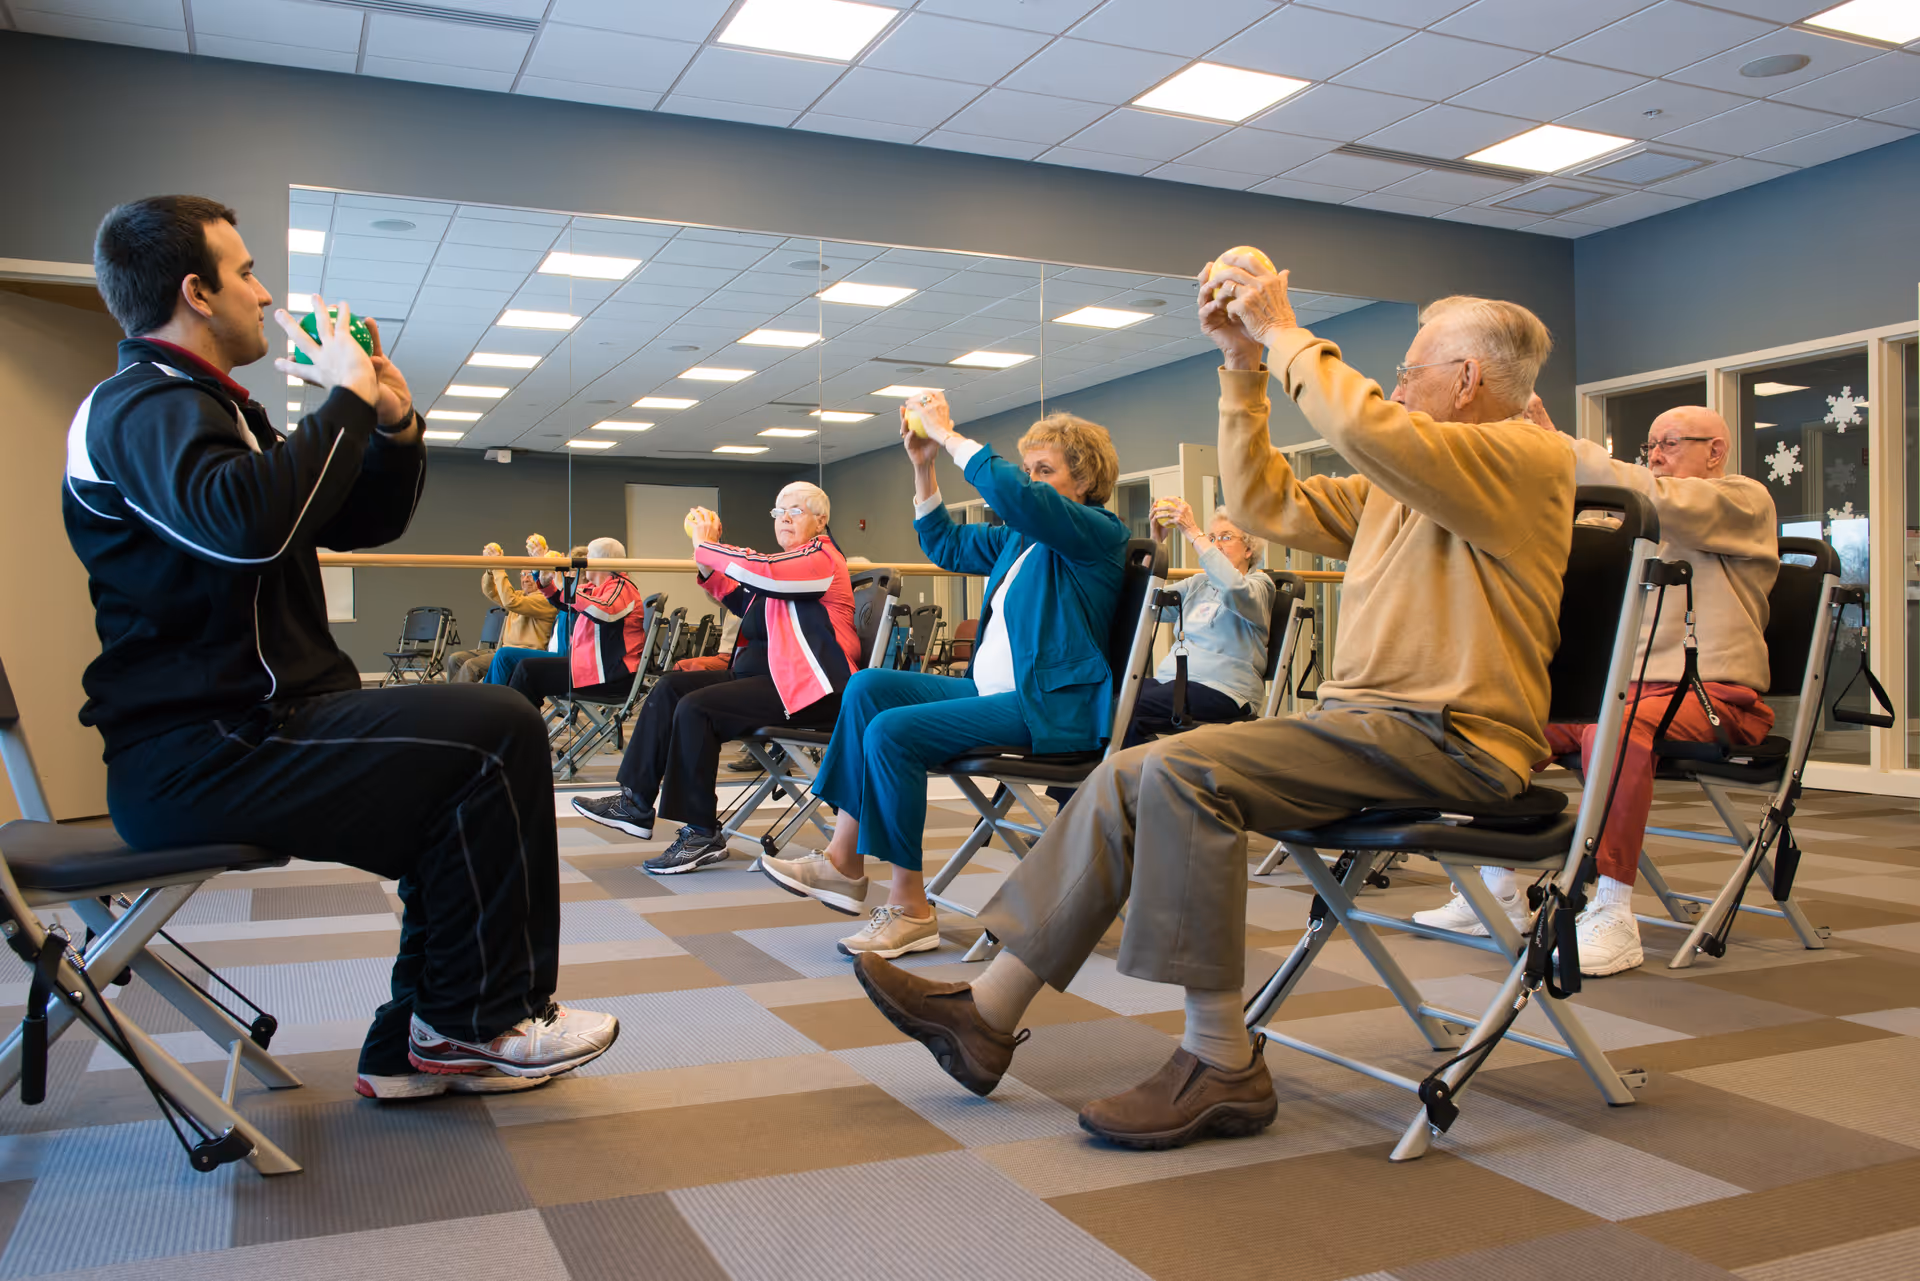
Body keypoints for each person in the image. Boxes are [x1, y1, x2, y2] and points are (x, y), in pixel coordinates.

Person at [851, 255, 1574, 1150]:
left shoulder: (1524, 456)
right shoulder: (1404, 483)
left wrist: (1281, 327)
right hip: (1363, 725)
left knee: (1187, 773)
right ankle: (986, 1011)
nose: (1395, 383)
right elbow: (1264, 500)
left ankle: (1219, 1059)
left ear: (1466, 380)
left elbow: (1375, 430)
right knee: (1128, 771)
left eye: (1410, 369)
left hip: (1451, 737)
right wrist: (1241, 366)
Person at [67, 194, 616, 1101]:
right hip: (202, 750)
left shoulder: (210, 409)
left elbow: (353, 516)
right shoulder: (138, 407)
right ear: (196, 292)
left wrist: (390, 423)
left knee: (465, 767)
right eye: (244, 272)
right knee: (498, 727)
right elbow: (245, 525)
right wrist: (344, 396)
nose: (262, 288)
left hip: (261, 723)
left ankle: (418, 1038)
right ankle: (475, 1022)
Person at [758, 396, 1129, 961]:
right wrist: (923, 463)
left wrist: (951, 435)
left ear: (1085, 480)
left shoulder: (1096, 533)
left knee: (893, 733)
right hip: (992, 693)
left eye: (1044, 471)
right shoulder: (1020, 540)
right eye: (1029, 468)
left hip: (1045, 708)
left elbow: (1015, 497)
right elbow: (945, 544)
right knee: (868, 687)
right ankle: (843, 859)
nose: (1031, 480)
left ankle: (911, 909)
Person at [1413, 400, 1777, 976]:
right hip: (1623, 694)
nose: (1657, 455)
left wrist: (1558, 448)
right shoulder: (1650, 509)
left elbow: (1658, 501)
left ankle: (1614, 911)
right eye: (1650, 446)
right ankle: (1498, 891)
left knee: (1618, 730)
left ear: (1716, 450)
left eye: (1672, 442)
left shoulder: (1742, 500)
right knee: (1498, 724)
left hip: (1709, 697)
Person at [571, 483, 862, 873]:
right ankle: (635, 801)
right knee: (672, 687)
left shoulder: (821, 557)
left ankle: (701, 832)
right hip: (770, 681)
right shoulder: (788, 565)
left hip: (810, 688)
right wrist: (707, 562)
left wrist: (706, 544)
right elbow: (743, 597)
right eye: (779, 512)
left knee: (697, 709)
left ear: (821, 520)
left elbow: (762, 571)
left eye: (795, 511)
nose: (785, 519)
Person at [1132, 499, 1273, 744]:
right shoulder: (1197, 584)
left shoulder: (1259, 587)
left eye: (1226, 538)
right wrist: (1156, 543)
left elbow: (1231, 587)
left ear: (1248, 549)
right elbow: (1144, 604)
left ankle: (1136, 778)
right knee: (1108, 703)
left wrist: (1193, 533)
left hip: (1225, 690)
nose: (1215, 545)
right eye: (1212, 537)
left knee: (1130, 711)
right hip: (1172, 683)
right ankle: (1107, 779)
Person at [506, 537, 644, 710]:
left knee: (527, 671)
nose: (584, 563)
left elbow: (604, 612)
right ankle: (516, 727)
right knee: (524, 669)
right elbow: (561, 600)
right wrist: (544, 578)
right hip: (591, 669)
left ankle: (517, 730)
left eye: (588, 557)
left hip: (611, 676)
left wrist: (562, 582)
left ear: (600, 562)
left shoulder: (622, 587)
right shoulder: (594, 588)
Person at [447, 537, 558, 682]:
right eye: (523, 575)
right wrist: (490, 568)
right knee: (455, 659)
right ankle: (456, 698)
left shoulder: (544, 600)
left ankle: (462, 703)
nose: (525, 579)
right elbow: (491, 591)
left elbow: (510, 601)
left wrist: (498, 566)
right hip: (503, 650)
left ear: (539, 575)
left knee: (471, 666)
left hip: (523, 654)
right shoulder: (519, 595)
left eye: (530, 574)